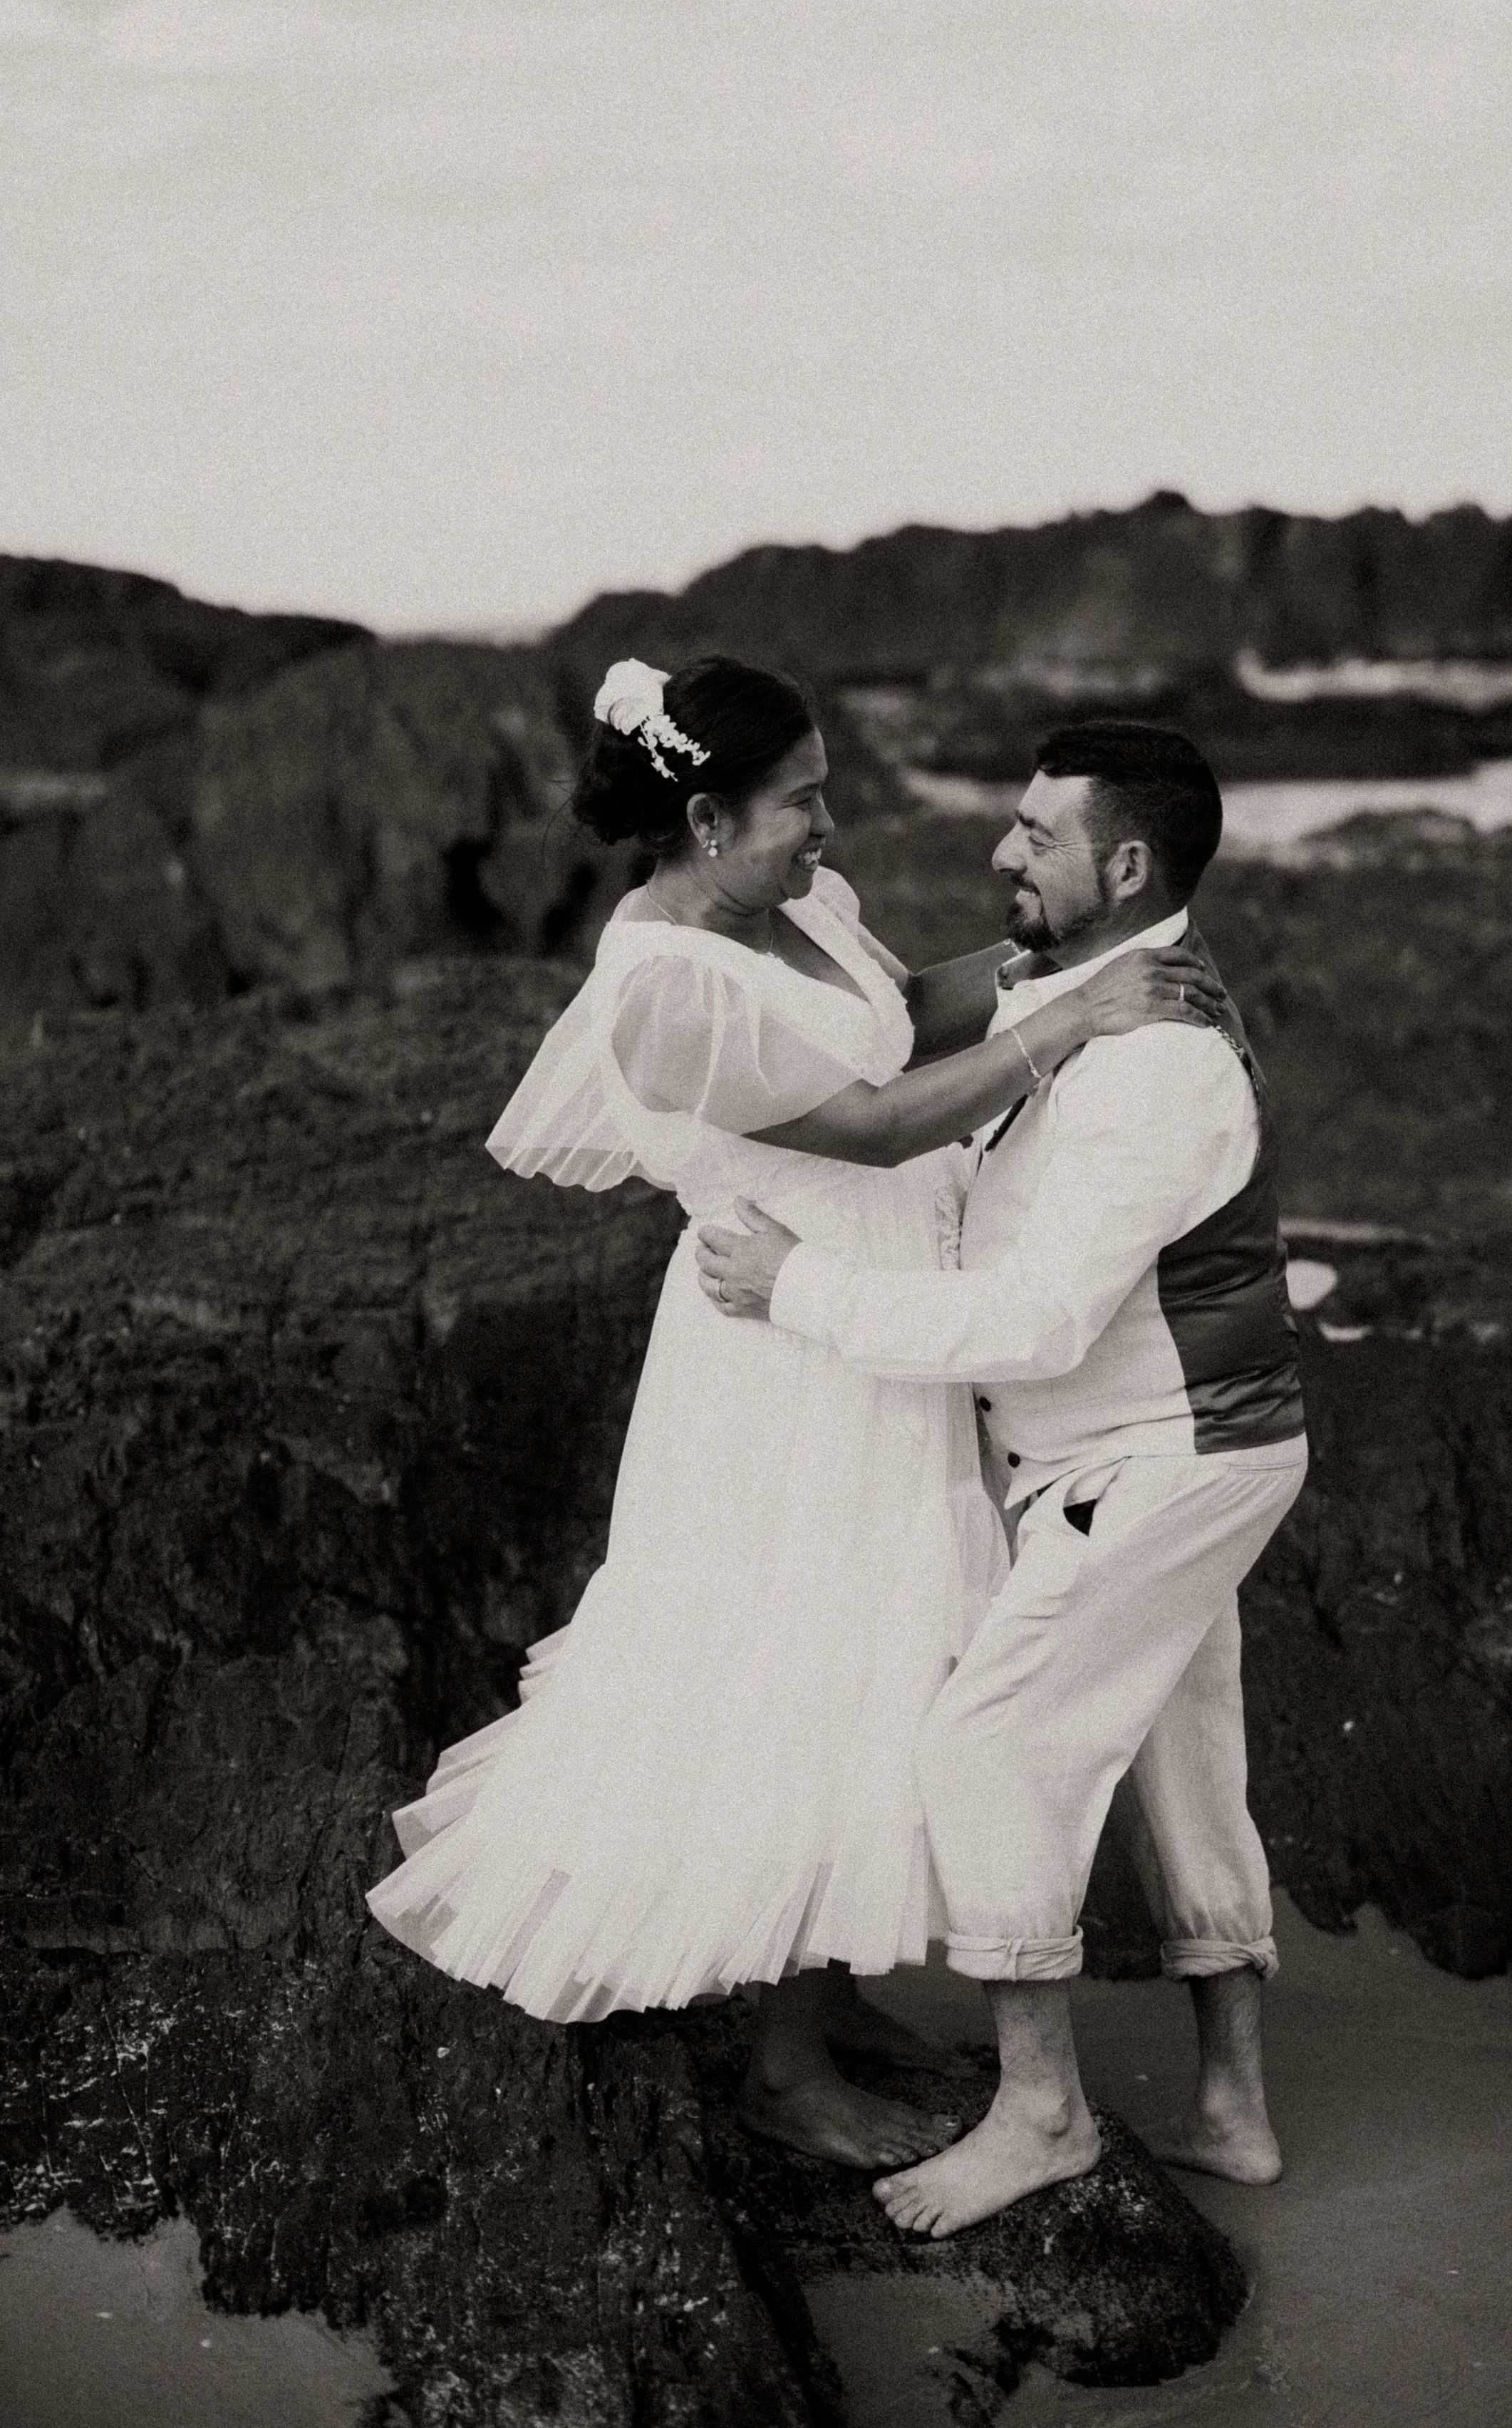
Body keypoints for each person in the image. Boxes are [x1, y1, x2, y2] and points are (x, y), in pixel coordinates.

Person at [366, 656, 1219, 2174]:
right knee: (797, 1676)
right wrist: (1079, 1016)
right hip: (782, 1365)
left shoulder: (790, 908)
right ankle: (782, 2068)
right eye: (802, 801)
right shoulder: (661, 994)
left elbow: (894, 1020)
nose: (831, 824)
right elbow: (882, 1125)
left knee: (878, 1679)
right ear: (703, 817)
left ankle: (807, 2017)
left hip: (877, 1333)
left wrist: (1034, 976)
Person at [696, 718, 1308, 2236]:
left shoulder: (1155, 1064)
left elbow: (1034, 1324)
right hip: (1180, 1447)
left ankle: (1041, 2114)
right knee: (1180, 1760)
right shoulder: (1088, 992)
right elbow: (910, 1024)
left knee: (983, 1744)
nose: (996, 854)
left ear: (1122, 865)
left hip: (1157, 1457)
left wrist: (794, 1291)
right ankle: (1231, 2111)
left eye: (1032, 836)